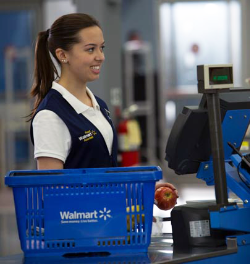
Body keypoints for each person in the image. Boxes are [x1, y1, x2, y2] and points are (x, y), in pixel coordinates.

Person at [29, 13, 177, 195]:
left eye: (102, 48)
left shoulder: (99, 105)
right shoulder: (50, 116)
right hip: (79, 221)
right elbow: (51, 191)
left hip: (106, 217)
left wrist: (141, 192)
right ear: (62, 55)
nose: (100, 57)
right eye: (90, 49)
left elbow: (104, 176)